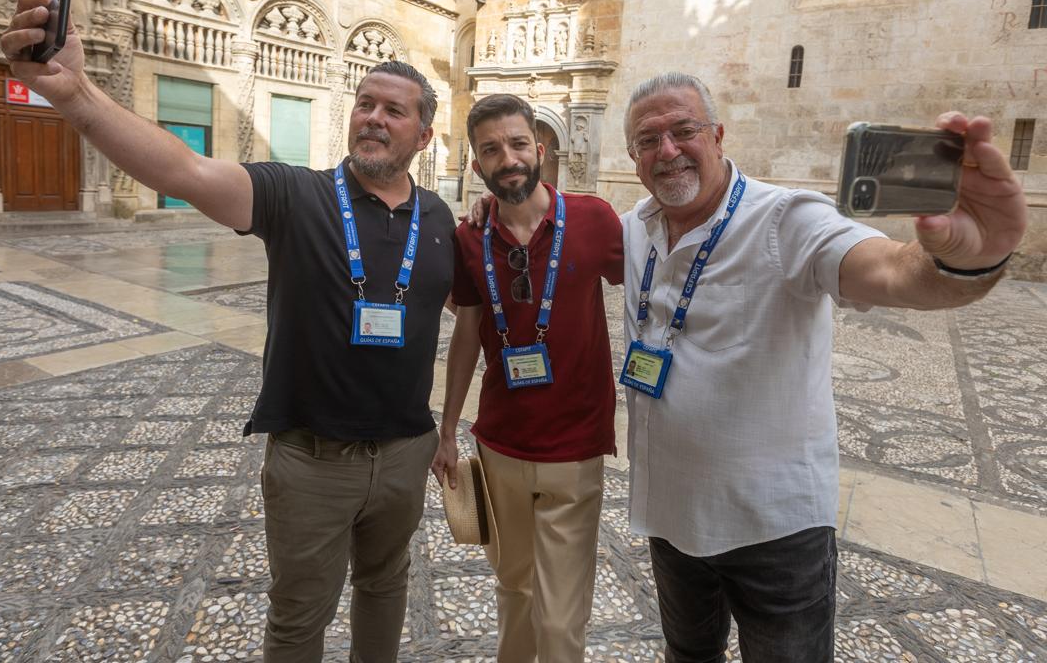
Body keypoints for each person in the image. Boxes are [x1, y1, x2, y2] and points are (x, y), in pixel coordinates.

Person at [0, 0, 456, 663]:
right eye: (365, 103)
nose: (375, 118)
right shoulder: (295, 195)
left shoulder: (441, 220)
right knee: (300, 615)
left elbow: (485, 309)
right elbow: (183, 171)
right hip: (312, 459)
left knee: (386, 586)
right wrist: (77, 95)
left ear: (423, 135)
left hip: (405, 452)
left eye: (394, 110)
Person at [619, 72, 1027, 663]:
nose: (668, 152)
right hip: (671, 514)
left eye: (684, 131)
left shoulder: (787, 220)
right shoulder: (638, 226)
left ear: (718, 135)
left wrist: (968, 261)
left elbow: (890, 271)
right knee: (688, 654)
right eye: (648, 141)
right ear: (632, 156)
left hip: (773, 530)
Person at [432, 93, 623, 663]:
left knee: (562, 622)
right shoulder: (470, 238)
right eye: (491, 150)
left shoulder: (593, 219)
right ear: (476, 166)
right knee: (514, 590)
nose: (508, 158)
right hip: (500, 445)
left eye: (517, 144)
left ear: (538, 149)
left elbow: (648, 290)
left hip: (575, 445)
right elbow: (466, 335)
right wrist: (447, 430)